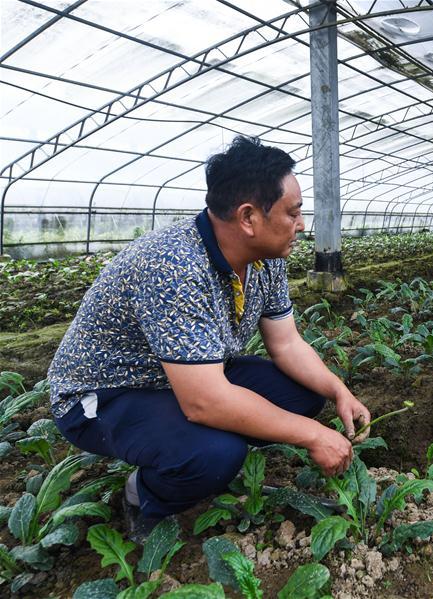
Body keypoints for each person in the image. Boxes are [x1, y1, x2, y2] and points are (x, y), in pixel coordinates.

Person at [48, 136, 370, 537]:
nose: (302, 225)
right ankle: (144, 493)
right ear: (248, 217)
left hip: (189, 376)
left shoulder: (264, 262)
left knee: (304, 394)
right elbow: (203, 402)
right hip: (107, 394)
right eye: (293, 213)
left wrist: (339, 390)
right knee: (215, 453)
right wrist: (314, 435)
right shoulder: (173, 265)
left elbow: (286, 343)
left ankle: (196, 453)